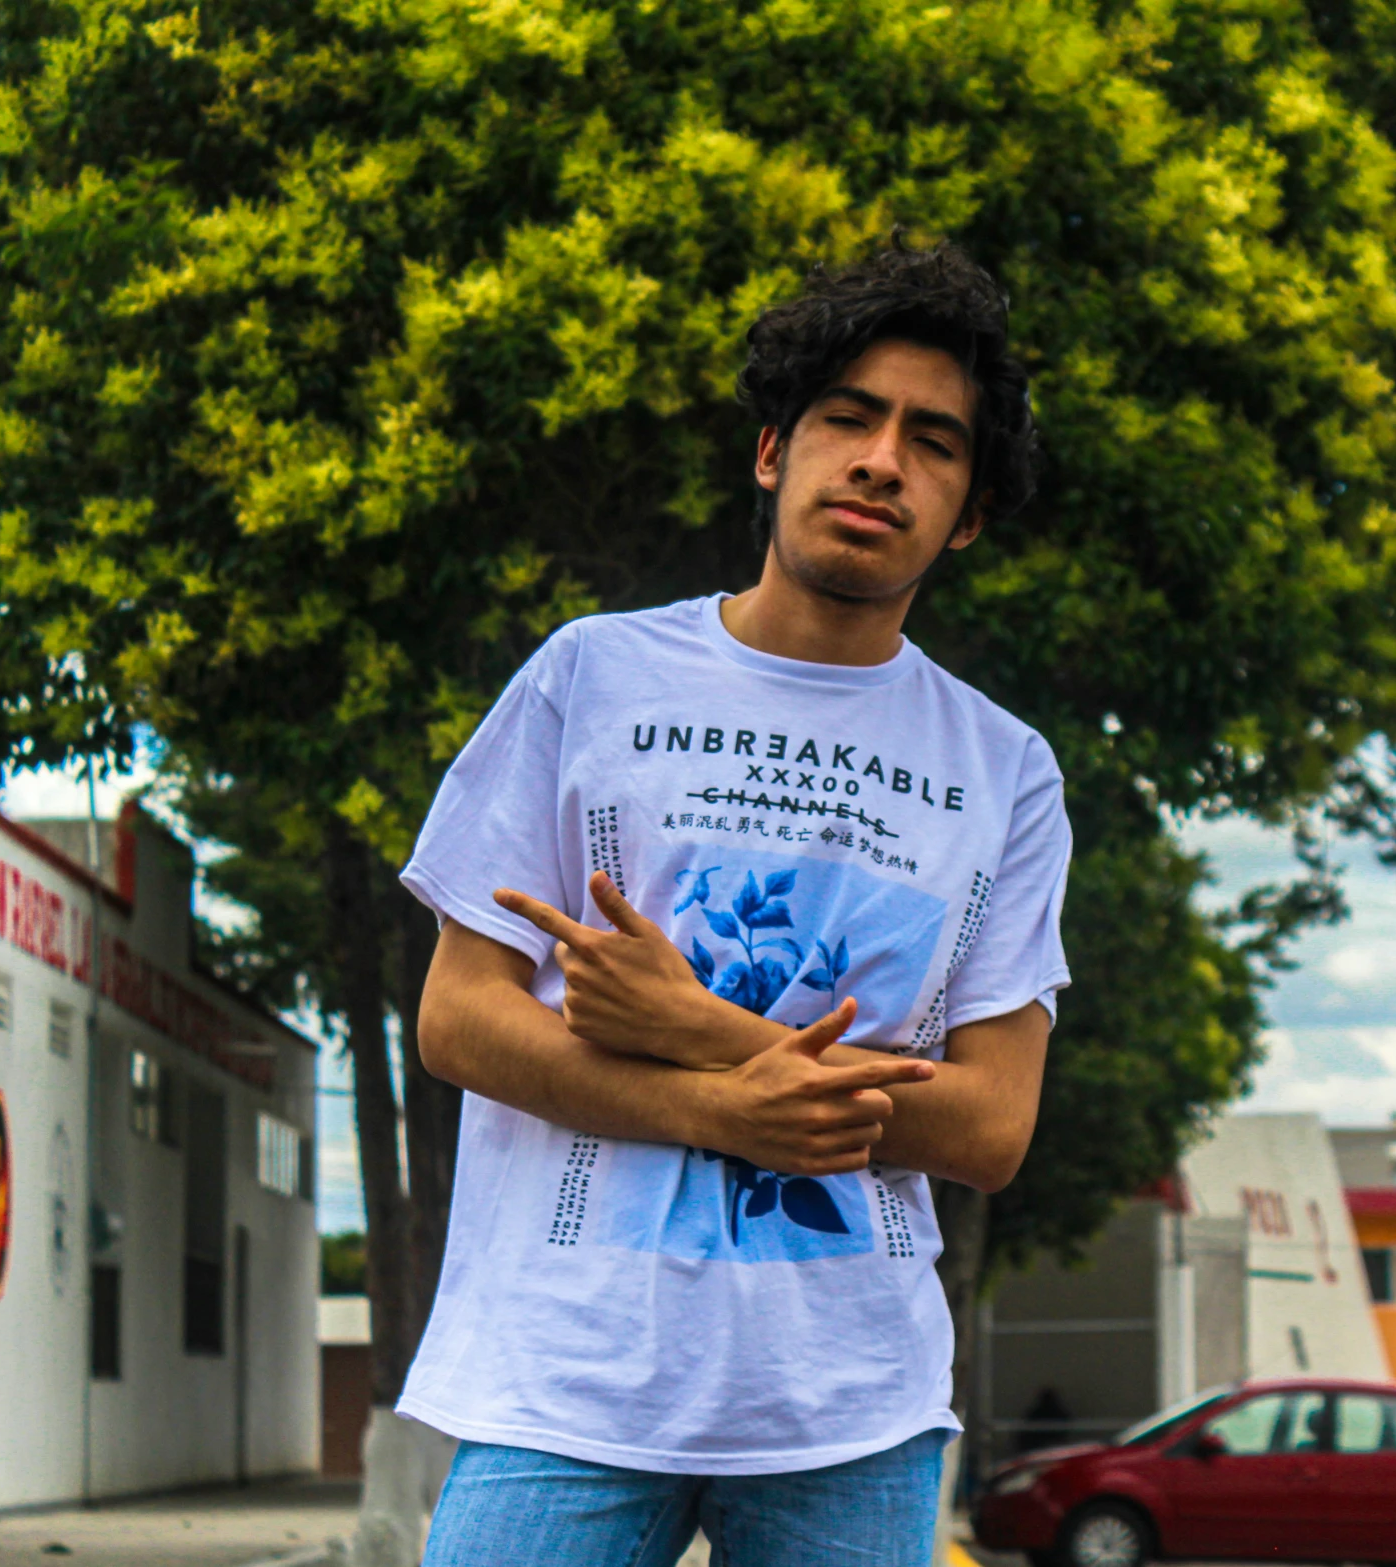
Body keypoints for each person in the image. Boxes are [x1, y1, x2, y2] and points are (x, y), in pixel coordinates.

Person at [400, 242, 1071, 1567]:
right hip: (566, 1380)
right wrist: (716, 1101)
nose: (882, 459)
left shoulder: (1004, 769)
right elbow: (460, 1020)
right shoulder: (589, 676)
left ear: (968, 512)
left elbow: (991, 1123)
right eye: (847, 417)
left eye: (933, 442)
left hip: (848, 1407)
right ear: (773, 452)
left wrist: (691, 1023)